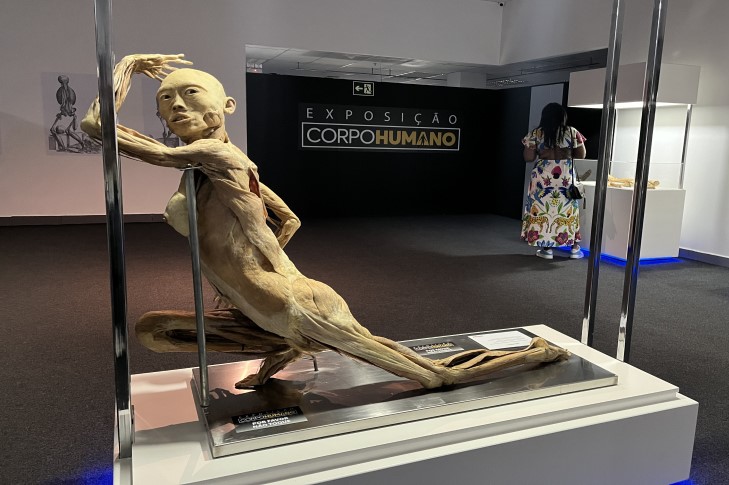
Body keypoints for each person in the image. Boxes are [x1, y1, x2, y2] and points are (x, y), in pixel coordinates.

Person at [81, 54, 568, 390]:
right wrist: (257, 258)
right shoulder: (223, 164)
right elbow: (289, 218)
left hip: (290, 300)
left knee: (432, 375)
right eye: (165, 99)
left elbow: (95, 127)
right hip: (271, 296)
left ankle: (535, 355)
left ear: (225, 107)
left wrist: (127, 66)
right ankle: (279, 355)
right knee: (154, 330)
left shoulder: (215, 154)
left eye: (189, 93)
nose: (175, 106)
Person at [521, 102, 587, 260]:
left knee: (542, 210)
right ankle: (574, 248)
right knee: (568, 210)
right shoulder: (572, 132)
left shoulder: (536, 133)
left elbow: (528, 158)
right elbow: (581, 155)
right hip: (565, 176)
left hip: (543, 178)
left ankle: (547, 249)